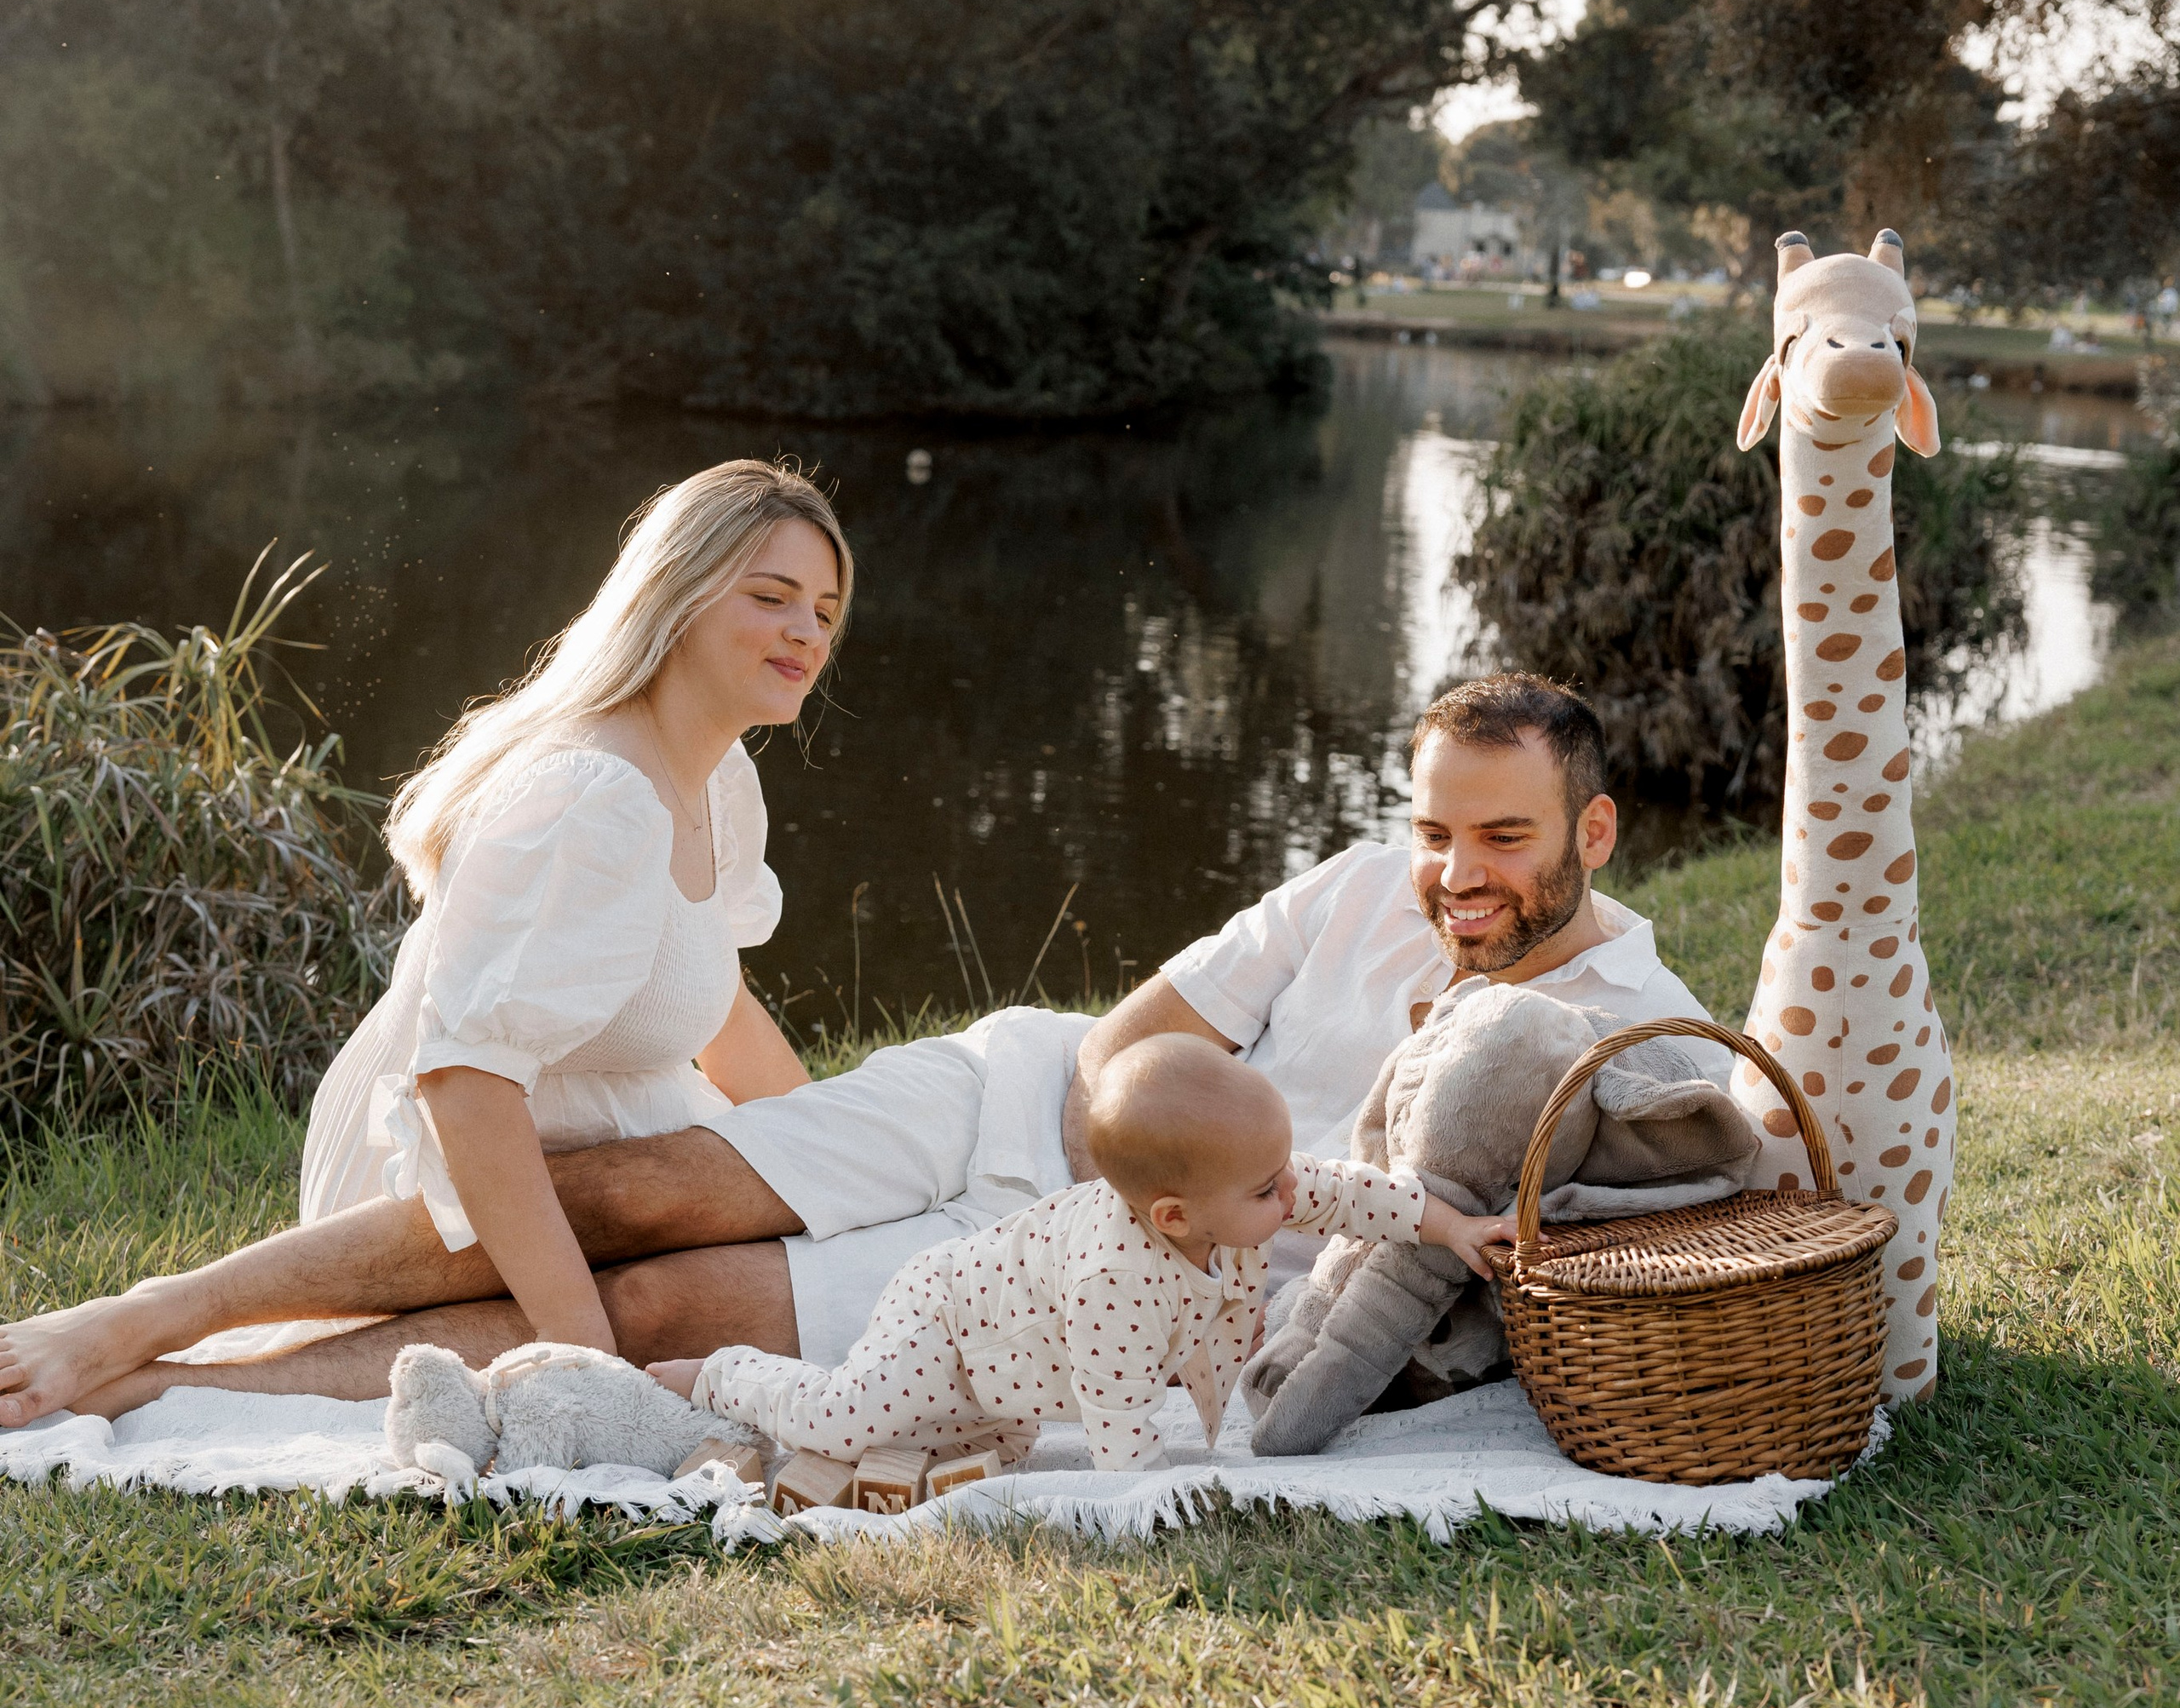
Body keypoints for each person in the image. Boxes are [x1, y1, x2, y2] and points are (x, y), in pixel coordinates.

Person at [0, 668, 1708, 1425]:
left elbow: (1617, 1223)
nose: (1450, 874)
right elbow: (1133, 1038)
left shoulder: (1629, 1024)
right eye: (1432, 829)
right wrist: (1122, 1137)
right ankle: (140, 1313)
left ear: (1594, 835)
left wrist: (1168, 1232)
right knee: (635, 1193)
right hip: (1017, 1096)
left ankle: (178, 1392)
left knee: (670, 1315)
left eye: (1496, 840)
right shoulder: (1354, 888)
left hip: (1126, 1259)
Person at [0, 458, 849, 1426]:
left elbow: (716, 1001)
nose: (806, 634)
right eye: (773, 597)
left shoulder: (719, 779)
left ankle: (155, 1354)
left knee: (769, 1290)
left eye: (824, 611)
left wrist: (837, 1163)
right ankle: (151, 1365)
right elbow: (465, 1082)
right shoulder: (592, 796)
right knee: (663, 1323)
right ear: (675, 597)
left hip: (609, 1154)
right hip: (463, 1166)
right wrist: (586, 1354)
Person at [651, 1036, 1513, 1475]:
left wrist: (1452, 1228)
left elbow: (1352, 1192)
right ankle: (720, 1376)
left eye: (1282, 1169)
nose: (1292, 1195)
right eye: (1267, 1190)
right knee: (849, 1421)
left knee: (998, 1445)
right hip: (949, 1324)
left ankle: (971, 1427)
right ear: (1173, 1214)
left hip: (1014, 1370)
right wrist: (1174, 1503)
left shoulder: (1250, 1188)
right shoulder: (1118, 1282)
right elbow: (1119, 1432)